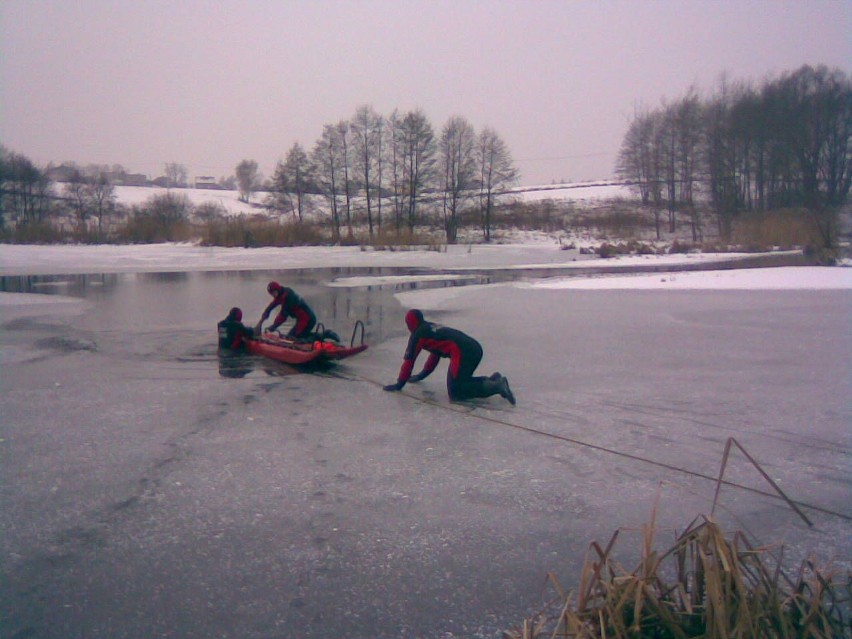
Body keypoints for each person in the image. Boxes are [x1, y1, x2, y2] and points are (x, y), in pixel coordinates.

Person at [383, 309, 515, 405]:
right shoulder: (429, 327)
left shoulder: (418, 335)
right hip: (474, 348)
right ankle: (492, 380)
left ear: (410, 324)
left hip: (463, 351)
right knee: (462, 381)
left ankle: (497, 386)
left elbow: (409, 361)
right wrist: (421, 375)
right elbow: (435, 354)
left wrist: (399, 384)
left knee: (456, 391)